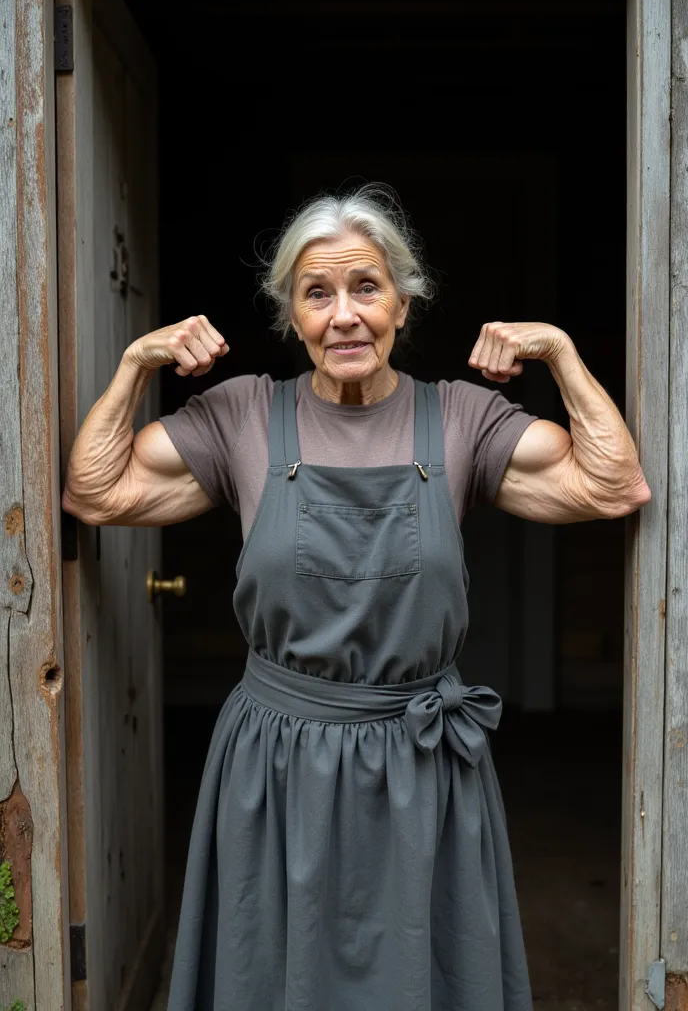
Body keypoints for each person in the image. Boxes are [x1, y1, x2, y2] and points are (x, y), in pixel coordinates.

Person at [63, 185, 650, 1011]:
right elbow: (97, 492)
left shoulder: (462, 420)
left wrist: (559, 353)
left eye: (366, 288)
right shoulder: (242, 417)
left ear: (403, 305)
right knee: (274, 979)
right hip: (275, 765)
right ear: (291, 316)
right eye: (318, 293)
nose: (344, 315)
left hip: (420, 767)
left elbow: (611, 485)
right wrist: (135, 366)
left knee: (421, 979)